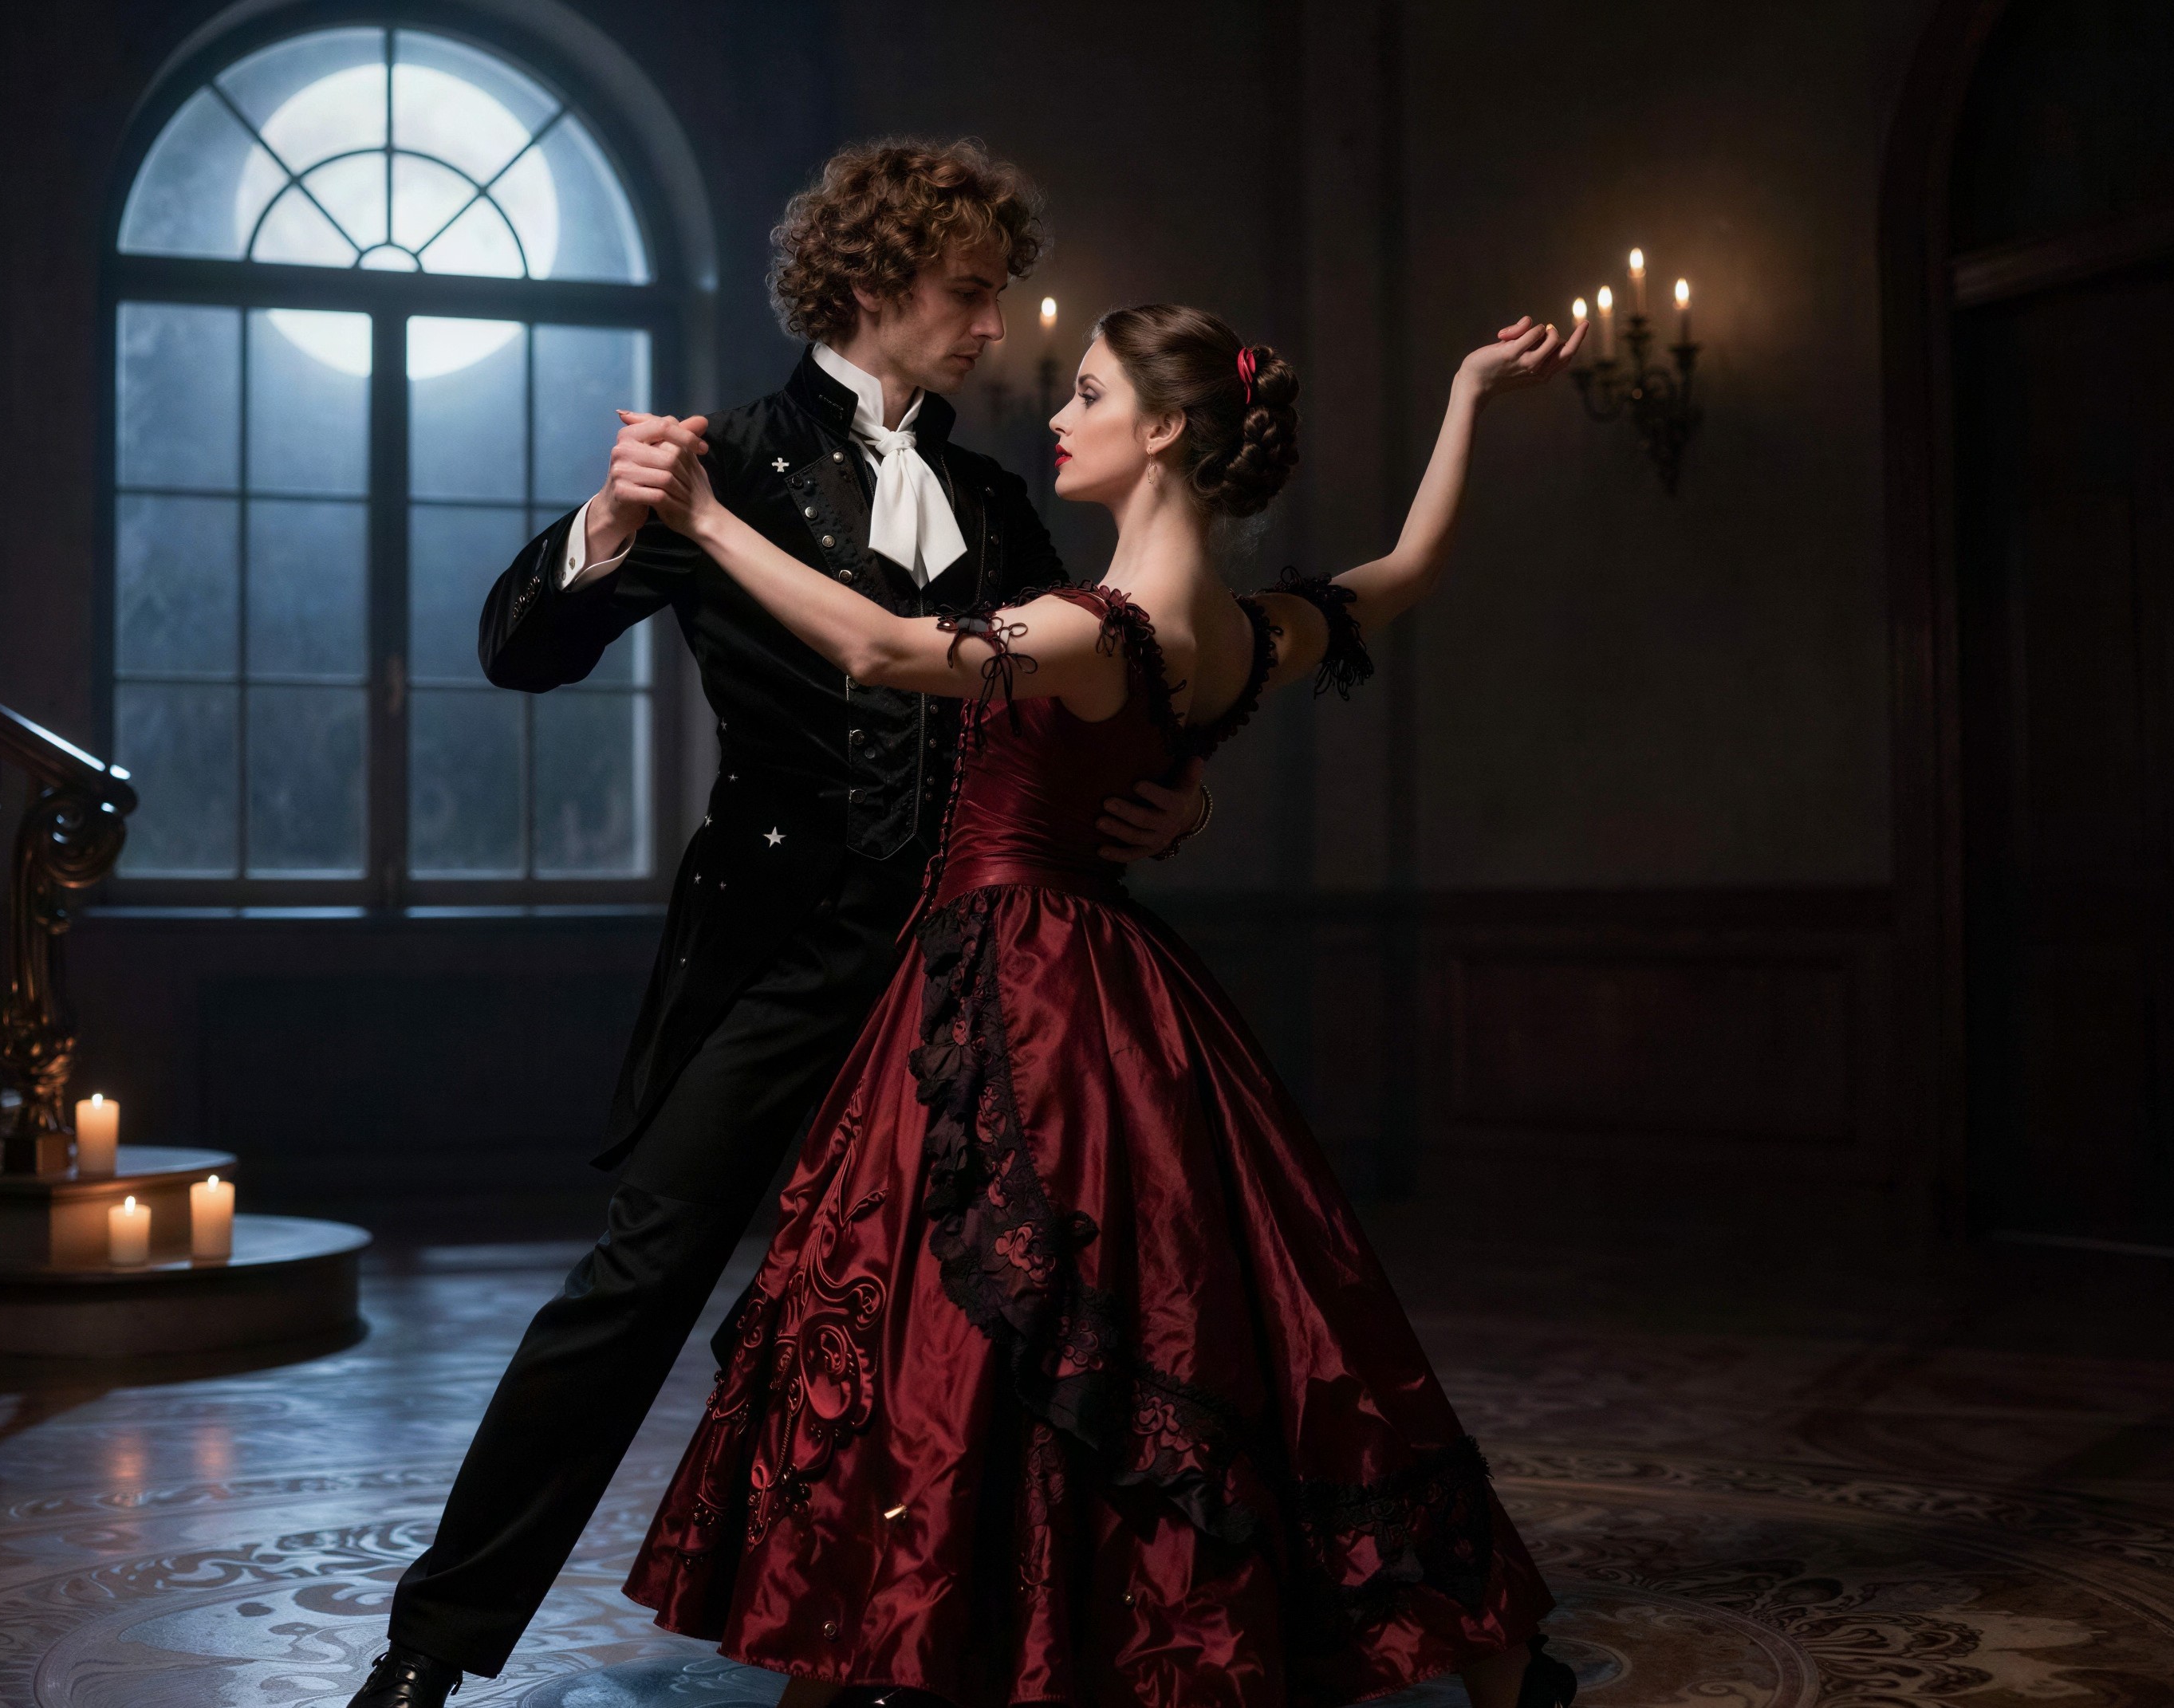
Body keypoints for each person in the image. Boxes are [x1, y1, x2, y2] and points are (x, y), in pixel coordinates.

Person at [608, 302, 1587, 1708]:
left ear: (1168, 429)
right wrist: (1469, 391)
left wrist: (702, 517)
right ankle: (1472, 1662)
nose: (1056, 416)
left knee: (960, 1314)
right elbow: (1410, 567)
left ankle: (920, 1636)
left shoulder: (1086, 626)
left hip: (1019, 984)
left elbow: (884, 652)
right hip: (1125, 987)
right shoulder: (1244, 633)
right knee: (1211, 1312)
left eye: (1086, 392)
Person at [349, 141, 1208, 1708]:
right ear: (875, 285)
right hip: (782, 954)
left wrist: (1171, 799)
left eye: (998, 296)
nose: (992, 327)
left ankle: (894, 1637)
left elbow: (1074, 697)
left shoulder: (1000, 500)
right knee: (634, 1289)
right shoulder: (714, 459)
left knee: (940, 1305)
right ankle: (429, 1649)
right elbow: (517, 649)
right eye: (967, 294)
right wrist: (611, 527)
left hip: (975, 963)